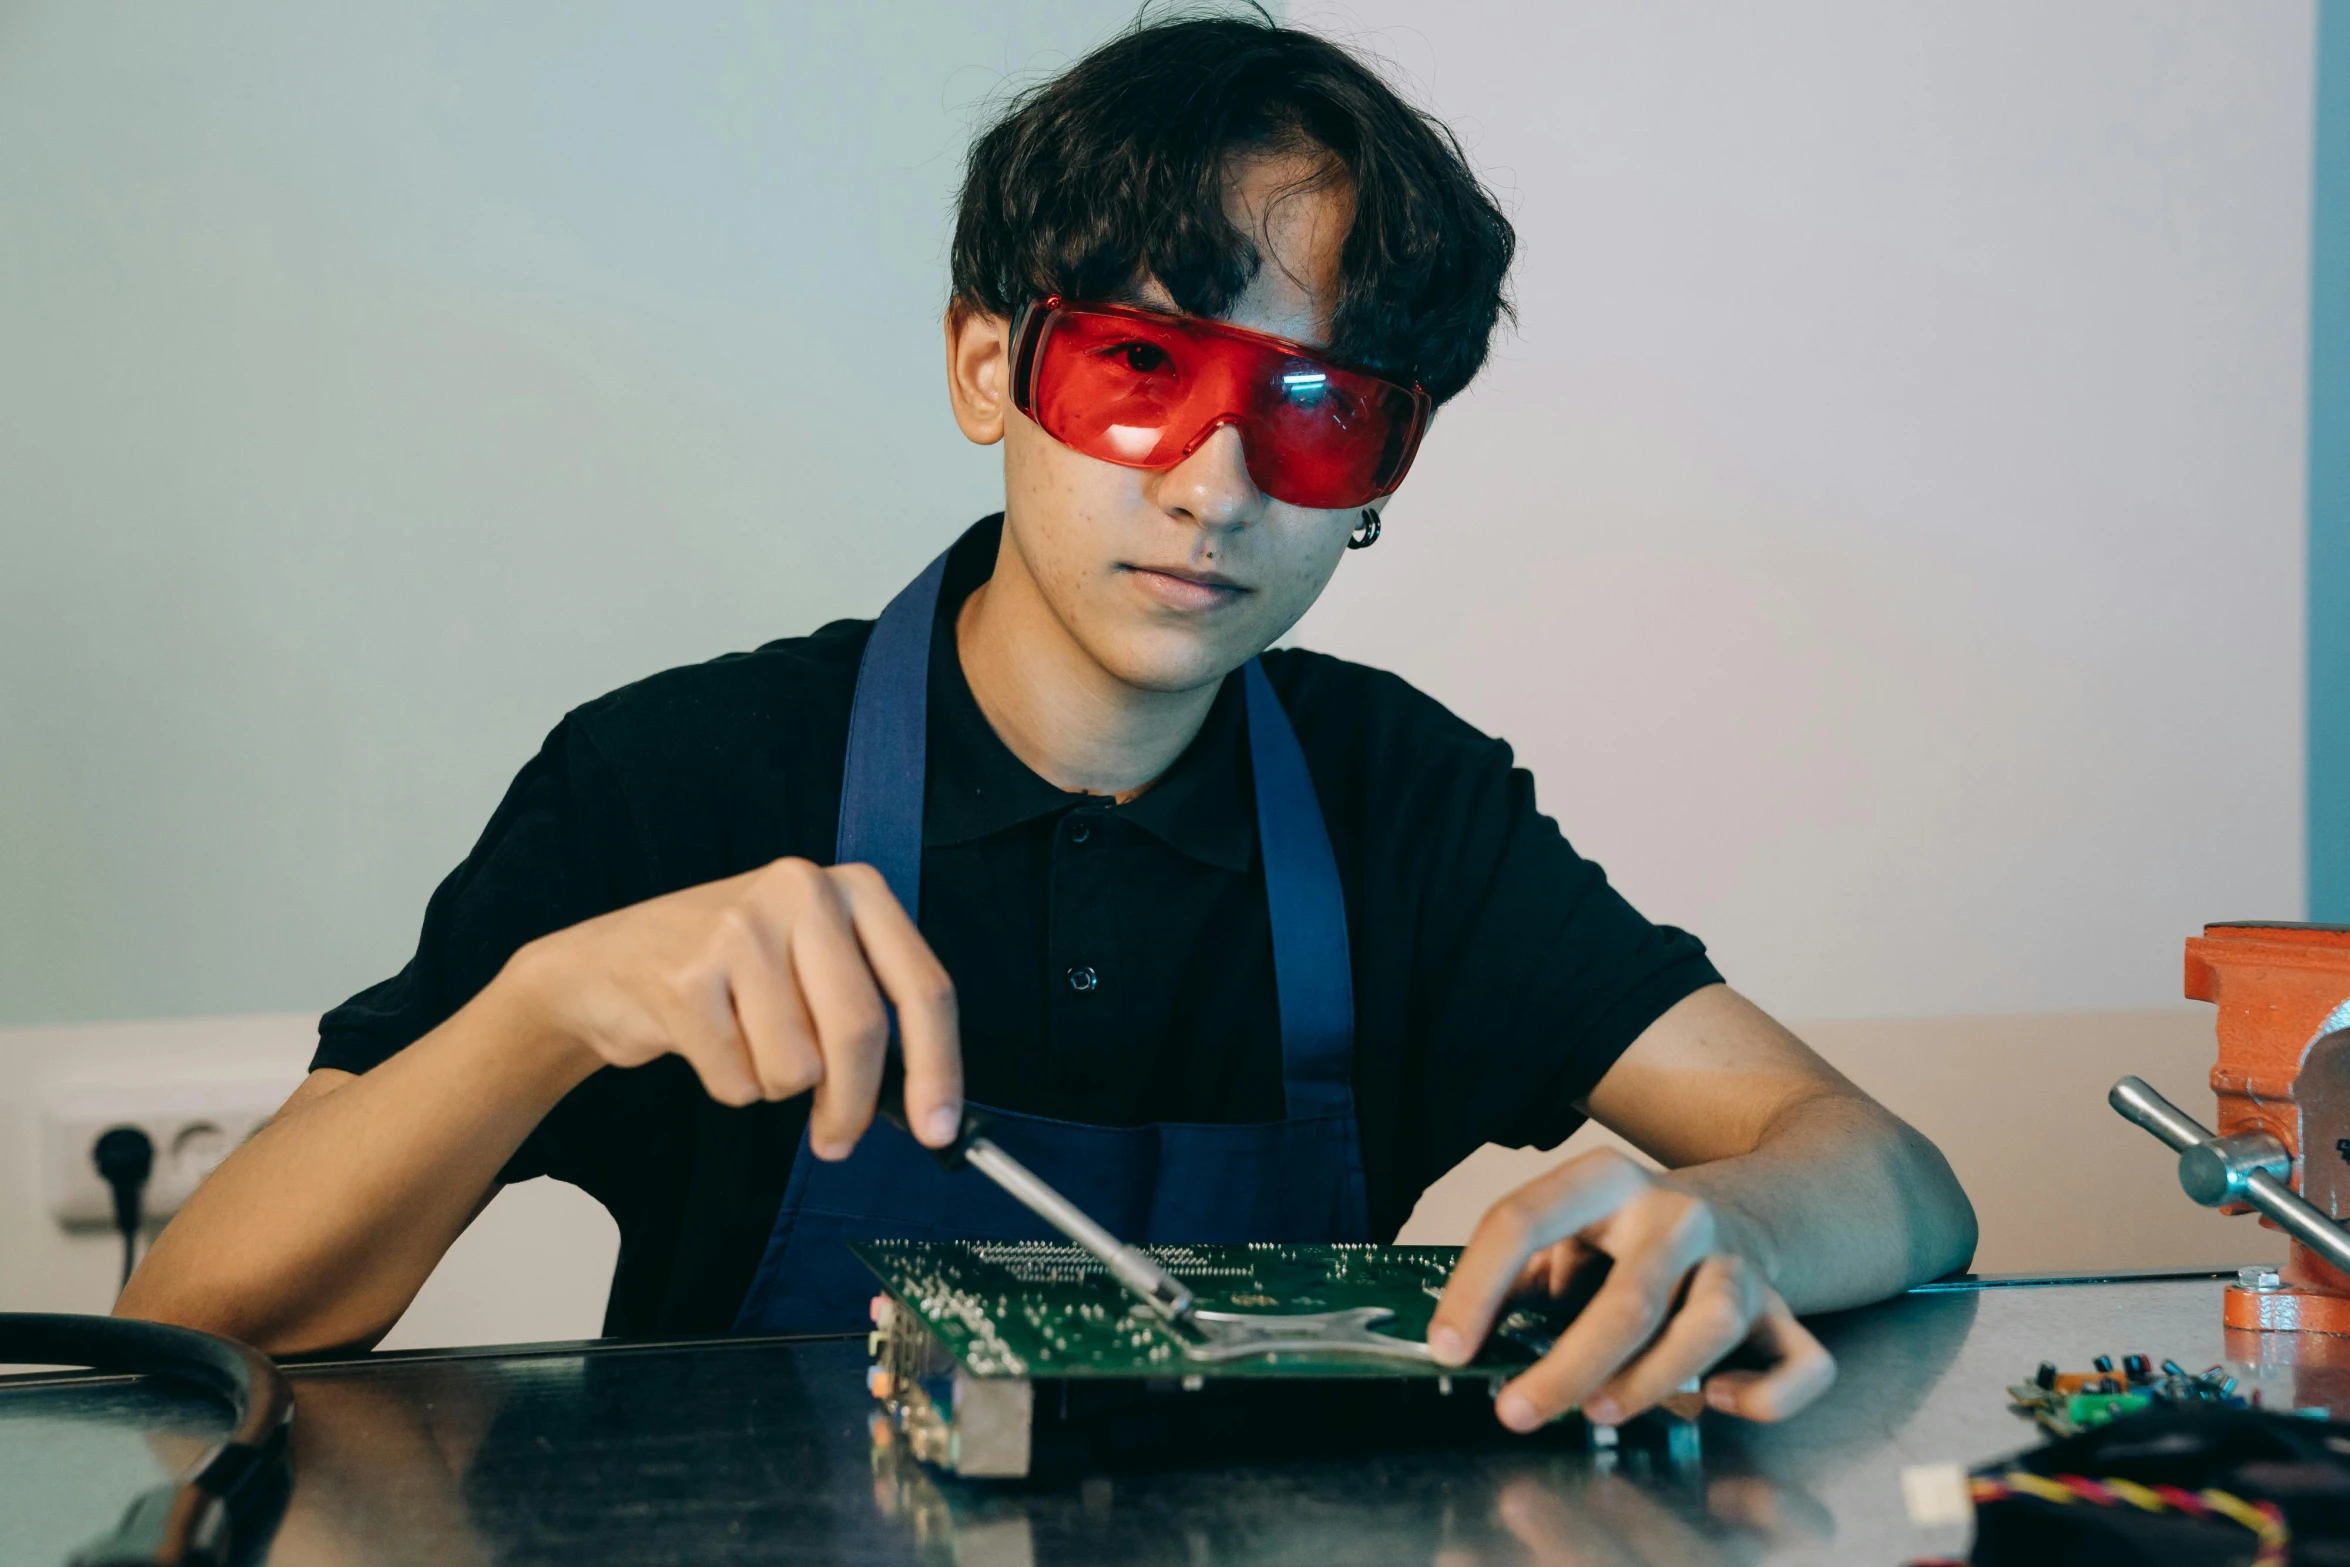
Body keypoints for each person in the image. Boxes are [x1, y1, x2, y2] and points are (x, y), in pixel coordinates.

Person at [120, 13, 1975, 1434]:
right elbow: (198, 1313)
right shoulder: (674, 774)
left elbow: (1889, 1171)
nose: (1213, 485)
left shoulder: (1400, 804)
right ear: (987, 368)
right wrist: (539, 1012)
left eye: (1317, 411)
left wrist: (1734, 1229)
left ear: (1379, 468)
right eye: (1140, 368)